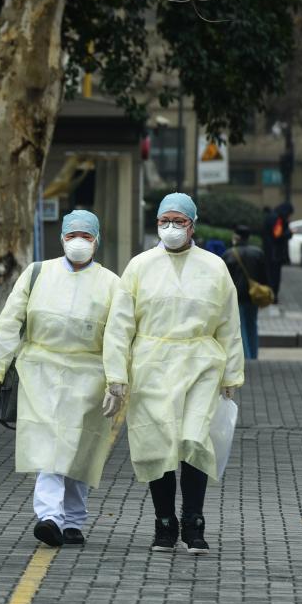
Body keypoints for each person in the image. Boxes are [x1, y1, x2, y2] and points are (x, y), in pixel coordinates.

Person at [104, 193, 244, 555]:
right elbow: (119, 325)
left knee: (194, 440)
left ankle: (193, 522)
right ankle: (164, 522)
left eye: (178, 221)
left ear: (192, 224)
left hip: (201, 364)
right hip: (151, 364)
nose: (170, 228)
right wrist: (115, 375)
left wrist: (231, 374)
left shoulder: (214, 267)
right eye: (164, 220)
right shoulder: (139, 267)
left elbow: (229, 324)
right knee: (157, 442)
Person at [0, 210, 120, 547]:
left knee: (78, 448)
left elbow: (119, 336)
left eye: (86, 236)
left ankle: (73, 521)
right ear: (61, 239)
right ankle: (50, 517)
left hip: (89, 377)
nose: (78, 242)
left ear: (96, 241)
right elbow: (10, 321)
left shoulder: (111, 284)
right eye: (72, 235)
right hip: (38, 372)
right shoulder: (37, 274)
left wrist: (117, 381)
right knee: (49, 448)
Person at [222, 225, 269, 360]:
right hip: (253, 296)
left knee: (240, 327)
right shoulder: (258, 253)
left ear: (236, 237)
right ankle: (254, 355)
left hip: (236, 297)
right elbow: (264, 276)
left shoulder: (229, 254)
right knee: (252, 325)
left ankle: (246, 358)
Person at [262, 202, 293, 299]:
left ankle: (270, 295)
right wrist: (289, 232)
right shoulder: (277, 219)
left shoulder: (272, 217)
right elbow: (277, 235)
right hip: (275, 253)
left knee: (270, 274)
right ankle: (273, 296)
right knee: (274, 275)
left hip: (269, 251)